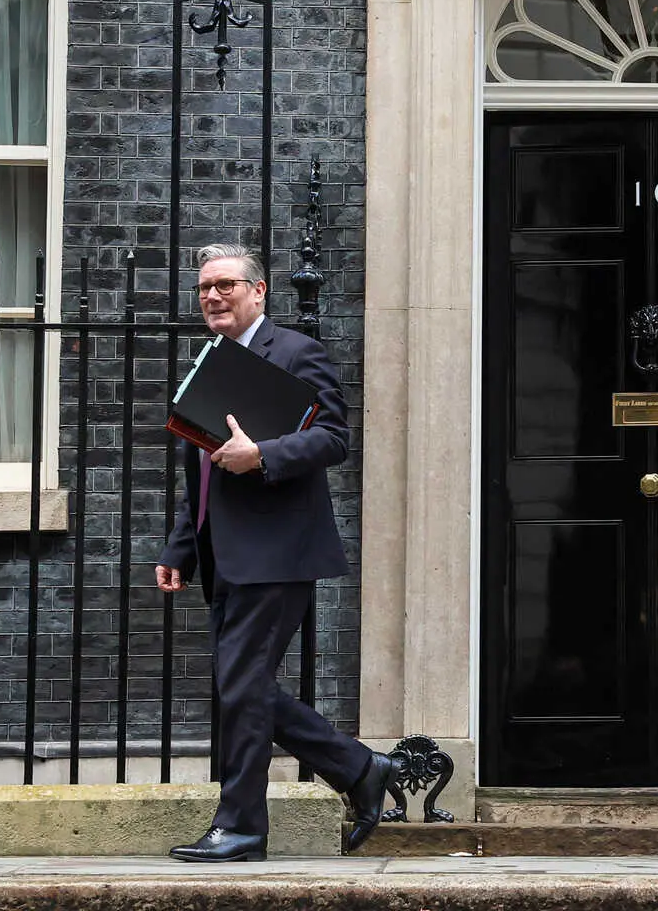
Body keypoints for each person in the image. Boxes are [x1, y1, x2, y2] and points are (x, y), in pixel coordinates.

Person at [156, 243, 397, 863]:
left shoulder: (294, 352)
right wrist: (181, 547)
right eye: (205, 288)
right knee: (244, 686)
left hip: (277, 553)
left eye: (226, 286)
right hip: (224, 556)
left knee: (240, 685)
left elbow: (333, 438)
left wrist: (262, 455)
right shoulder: (211, 359)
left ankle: (241, 827)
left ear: (258, 291)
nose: (212, 296)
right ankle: (360, 767)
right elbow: (203, 471)